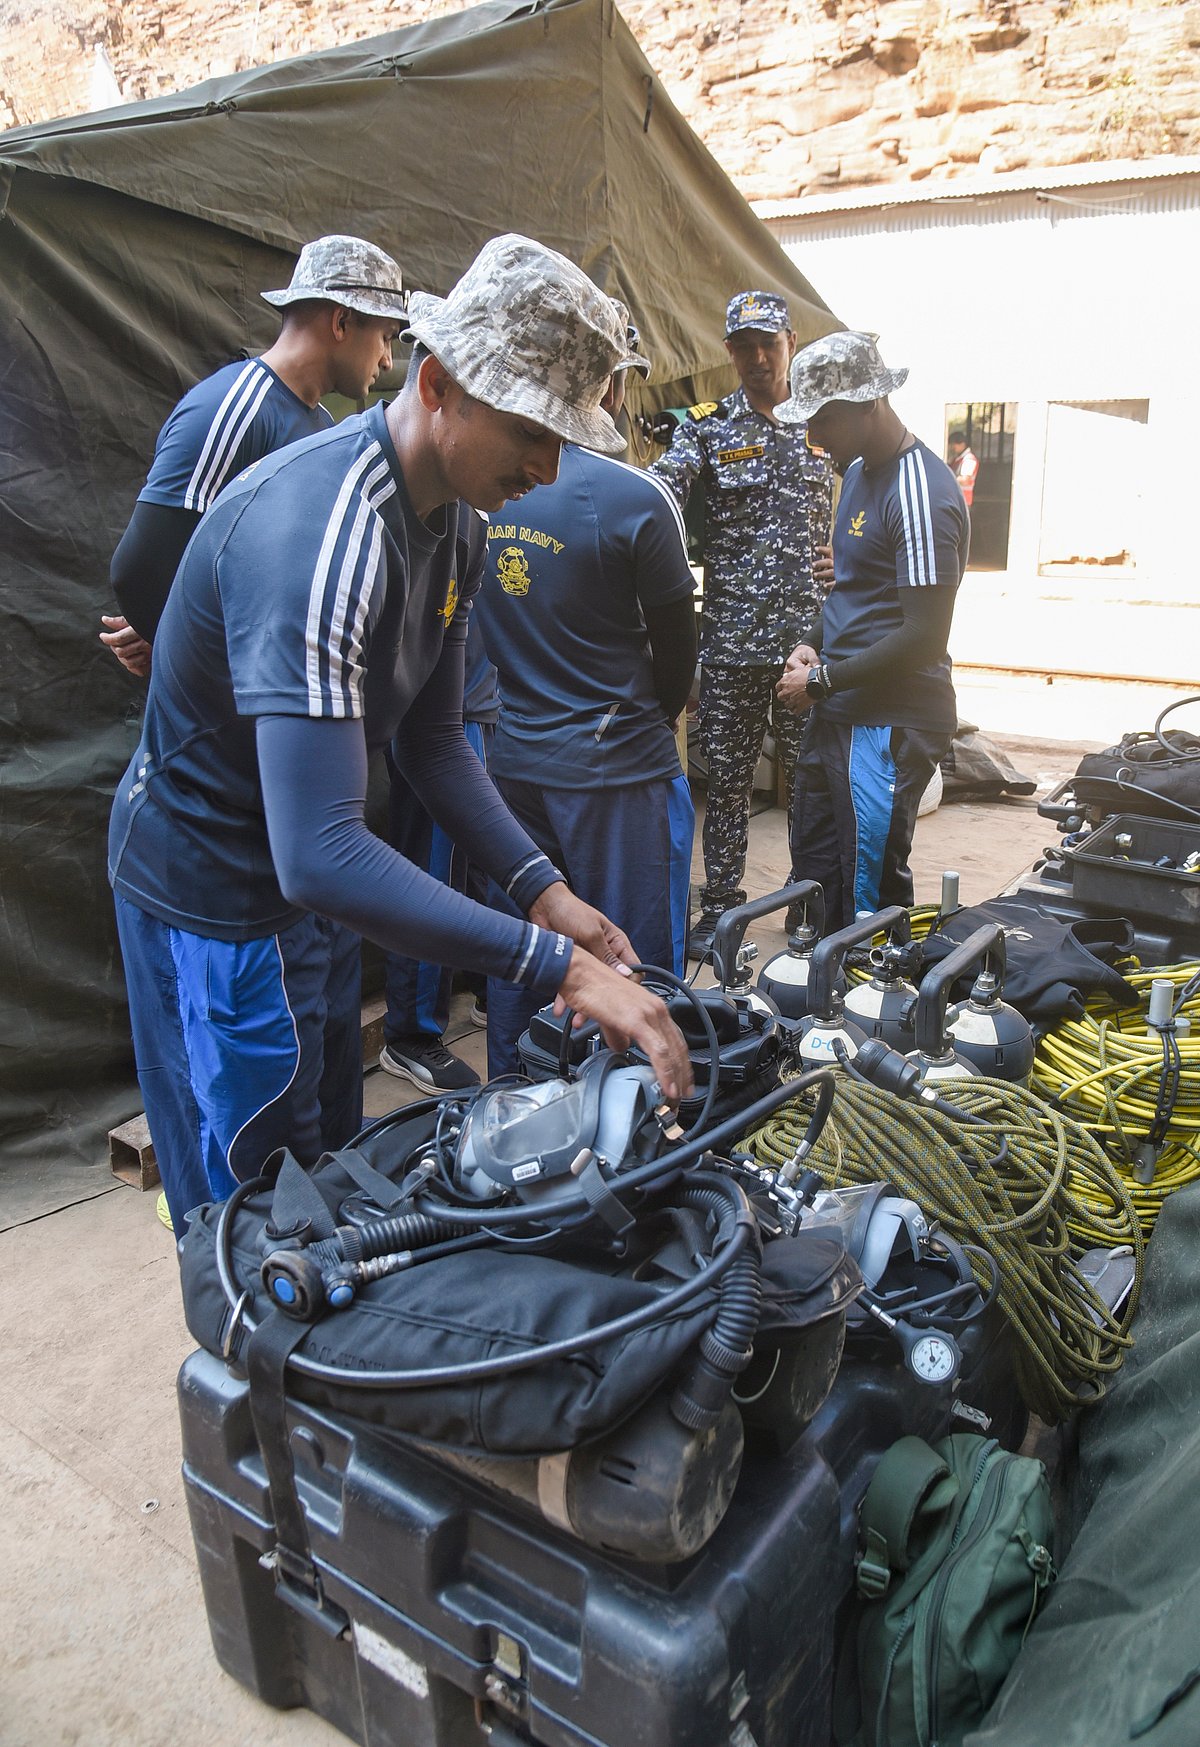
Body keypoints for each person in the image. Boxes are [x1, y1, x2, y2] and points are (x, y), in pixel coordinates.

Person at [108, 233, 693, 1237]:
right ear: (436, 384)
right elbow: (322, 850)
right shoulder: (323, 535)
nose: (549, 470)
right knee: (252, 1206)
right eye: (529, 433)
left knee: (331, 1167)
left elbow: (434, 745)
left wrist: (549, 897)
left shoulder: (457, 517)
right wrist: (559, 970)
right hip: (213, 895)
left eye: (566, 439)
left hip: (302, 892)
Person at [475, 312, 699, 1076]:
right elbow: (678, 655)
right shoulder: (636, 497)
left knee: (526, 945)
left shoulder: (483, 490)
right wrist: (644, 721)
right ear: (610, 381)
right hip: (617, 772)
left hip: (514, 760)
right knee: (633, 955)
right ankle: (637, 1112)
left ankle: (510, 1100)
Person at [99, 234, 408, 677]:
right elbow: (142, 571)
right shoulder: (233, 407)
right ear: (341, 323)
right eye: (385, 338)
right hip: (218, 716)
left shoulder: (323, 428)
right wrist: (174, 643)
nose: (386, 361)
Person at [651, 290, 832, 960]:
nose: (759, 357)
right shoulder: (706, 428)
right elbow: (657, 496)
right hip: (729, 643)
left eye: (770, 343)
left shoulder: (822, 424)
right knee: (725, 786)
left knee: (810, 780)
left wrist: (845, 549)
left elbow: (861, 497)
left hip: (807, 646)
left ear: (790, 341)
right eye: (745, 346)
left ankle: (806, 904)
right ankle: (721, 914)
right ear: (729, 351)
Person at [774, 330, 970, 929]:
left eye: (820, 422)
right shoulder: (857, 473)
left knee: (868, 887)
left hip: (887, 721)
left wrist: (822, 679)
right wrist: (814, 641)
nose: (812, 439)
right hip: (842, 709)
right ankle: (820, 1002)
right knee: (814, 867)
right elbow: (853, 589)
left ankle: (873, 1009)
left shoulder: (922, 493)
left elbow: (924, 636)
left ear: (866, 406)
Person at [378, 613, 496, 1093]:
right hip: (435, 714)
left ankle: (489, 988)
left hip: (482, 698)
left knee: (480, 861)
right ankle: (411, 1033)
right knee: (433, 868)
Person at [947, 428, 979, 508]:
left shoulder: (969, 459)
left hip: (963, 501)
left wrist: (947, 478)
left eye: (954, 445)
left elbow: (965, 480)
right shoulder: (957, 459)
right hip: (956, 500)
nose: (952, 448)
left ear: (962, 444)